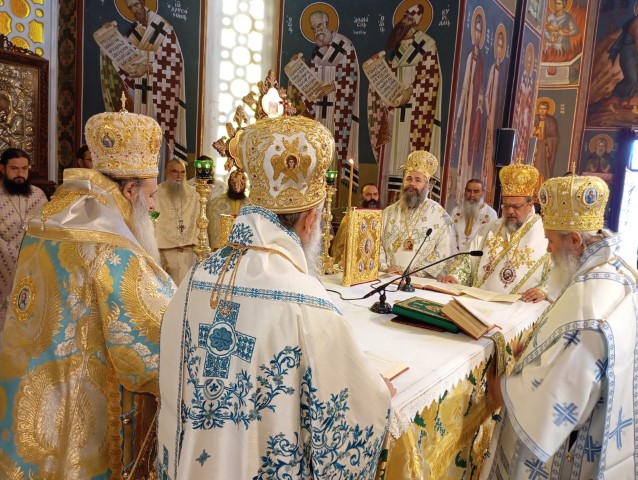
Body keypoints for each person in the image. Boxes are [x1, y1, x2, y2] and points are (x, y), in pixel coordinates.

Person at [157, 115, 391, 479]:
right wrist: (377, 391)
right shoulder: (308, 301)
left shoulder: (195, 277)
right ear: (310, 220)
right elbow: (351, 414)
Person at [0, 108, 175, 478]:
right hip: (81, 406)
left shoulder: (49, 216)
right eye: (151, 195)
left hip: (25, 388)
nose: (153, 205)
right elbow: (148, 343)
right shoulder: (113, 249)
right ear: (130, 191)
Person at [481, 174, 638, 479]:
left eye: (551, 241)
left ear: (575, 240)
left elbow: (553, 400)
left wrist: (501, 387)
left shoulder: (589, 302)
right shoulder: (617, 271)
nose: (549, 251)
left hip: (575, 446)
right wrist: (536, 345)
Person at [440, 164, 550, 302]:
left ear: (530, 205)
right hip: (479, 302)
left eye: (516, 206)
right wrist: (455, 276)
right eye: (506, 206)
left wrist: (543, 290)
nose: (510, 211)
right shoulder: (488, 230)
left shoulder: (547, 234)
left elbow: (558, 273)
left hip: (521, 306)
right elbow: (467, 261)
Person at [368, 3, 442, 205]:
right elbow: (388, 79)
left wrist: (411, 92)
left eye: (409, 18)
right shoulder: (396, 48)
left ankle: (412, 199)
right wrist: (377, 69)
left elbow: (431, 79)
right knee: (392, 159)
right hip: (395, 114)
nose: (405, 21)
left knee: (411, 156)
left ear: (416, 22)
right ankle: (389, 202)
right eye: (404, 17)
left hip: (415, 114)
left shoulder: (426, 45)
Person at [99, 0, 187, 161]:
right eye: (130, 7)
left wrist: (148, 67)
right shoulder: (135, 32)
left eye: (136, 5)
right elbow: (124, 57)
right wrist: (111, 35)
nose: (134, 10)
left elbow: (175, 64)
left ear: (143, 3)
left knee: (158, 141)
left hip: (161, 97)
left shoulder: (163, 29)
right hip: (141, 95)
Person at [293, 6, 360, 190]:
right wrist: (299, 67)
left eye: (320, 25)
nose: (318, 31)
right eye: (314, 28)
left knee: (334, 151)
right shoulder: (317, 52)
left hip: (338, 111)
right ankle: (317, 191)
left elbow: (351, 77)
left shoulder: (345, 46)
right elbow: (311, 83)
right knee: (317, 152)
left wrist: (334, 86)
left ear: (328, 23)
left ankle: (332, 193)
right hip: (319, 113)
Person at [380, 150, 453, 278]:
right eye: (408, 179)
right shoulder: (388, 212)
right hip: (388, 278)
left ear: (428, 186)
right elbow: (377, 243)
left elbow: (444, 251)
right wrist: (384, 267)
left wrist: (417, 273)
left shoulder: (440, 216)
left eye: (418, 180)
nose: (412, 184)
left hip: (419, 281)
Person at [0, 148, 47, 329]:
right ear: (3, 169)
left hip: (34, 260)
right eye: (14, 169)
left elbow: (48, 227)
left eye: (24, 169)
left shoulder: (38, 195)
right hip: (4, 262)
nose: (20, 174)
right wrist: (11, 253)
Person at [453, 7, 485, 206]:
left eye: (475, 191)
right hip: (466, 111)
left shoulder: (490, 216)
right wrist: (458, 116)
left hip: (475, 113)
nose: (472, 195)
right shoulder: (468, 56)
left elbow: (481, 90)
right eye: (477, 30)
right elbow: (464, 86)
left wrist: (479, 105)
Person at [154, 158, 199, 285]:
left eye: (182, 172)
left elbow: (199, 221)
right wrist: (174, 242)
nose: (179, 176)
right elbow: (154, 222)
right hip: (166, 252)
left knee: (187, 288)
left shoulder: (195, 195)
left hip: (189, 251)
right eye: (175, 172)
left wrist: (189, 241)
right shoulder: (156, 194)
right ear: (167, 172)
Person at [481, 25, 507, 204]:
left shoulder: (502, 71)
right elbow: (487, 94)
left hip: (496, 118)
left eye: (501, 46)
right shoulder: (493, 69)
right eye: (497, 45)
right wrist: (488, 113)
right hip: (490, 118)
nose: (498, 49)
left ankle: (489, 187)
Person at [331, 183, 381, 266]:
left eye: (375, 194)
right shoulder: (352, 217)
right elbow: (339, 245)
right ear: (361, 196)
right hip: (355, 263)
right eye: (368, 194)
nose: (372, 198)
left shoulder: (382, 216)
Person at [450, 179, 498, 252]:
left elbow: (492, 240)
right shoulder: (456, 211)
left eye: (476, 191)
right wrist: (455, 253)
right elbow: (450, 234)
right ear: (465, 191)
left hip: (478, 256)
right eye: (469, 191)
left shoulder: (490, 213)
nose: (472, 195)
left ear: (483, 193)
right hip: (455, 255)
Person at [206, 169, 250, 248]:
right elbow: (212, 229)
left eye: (241, 183)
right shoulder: (214, 204)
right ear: (229, 182)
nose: (237, 186)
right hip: (221, 248)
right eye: (234, 182)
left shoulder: (250, 206)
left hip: (243, 248)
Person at [532, 100, 560, 181]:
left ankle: (542, 181)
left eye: (544, 109)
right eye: (540, 108)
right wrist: (535, 133)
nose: (542, 110)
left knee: (542, 167)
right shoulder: (534, 118)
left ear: (547, 109)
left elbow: (555, 137)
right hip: (534, 146)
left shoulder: (551, 120)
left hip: (544, 147)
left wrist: (546, 140)